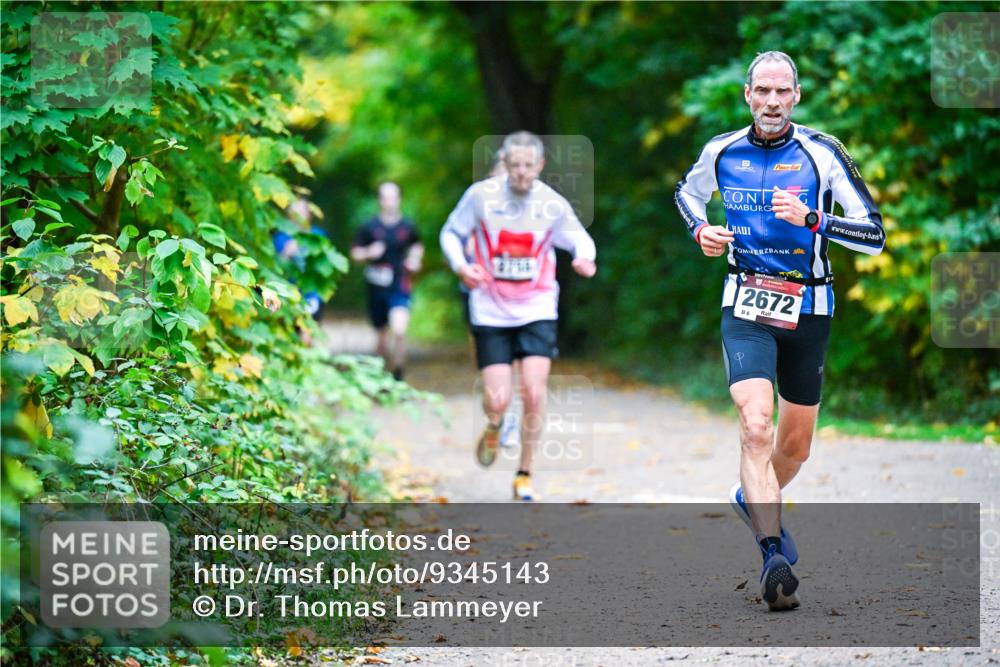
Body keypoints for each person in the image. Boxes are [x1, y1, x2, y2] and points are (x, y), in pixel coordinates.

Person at [674, 51, 885, 610]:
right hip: (746, 301)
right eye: (761, 91)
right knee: (755, 426)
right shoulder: (721, 150)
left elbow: (875, 235)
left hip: (810, 307)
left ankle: (752, 496)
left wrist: (813, 219)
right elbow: (686, 193)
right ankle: (772, 558)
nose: (771, 102)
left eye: (781, 93)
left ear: (795, 97)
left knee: (794, 447)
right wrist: (701, 231)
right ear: (747, 94)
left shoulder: (822, 153)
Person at [440, 131, 597, 501]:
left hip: (536, 307)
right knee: (497, 398)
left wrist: (583, 256)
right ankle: (495, 422)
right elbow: (450, 233)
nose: (522, 173)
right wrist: (462, 266)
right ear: (504, 166)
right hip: (490, 309)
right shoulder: (481, 197)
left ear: (540, 165)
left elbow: (578, 237)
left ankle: (524, 474)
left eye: (529, 166)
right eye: (515, 166)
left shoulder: (551, 203)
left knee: (534, 392)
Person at [351, 182, 423, 381]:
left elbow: (417, 245)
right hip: (376, 287)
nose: (389, 202)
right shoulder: (369, 227)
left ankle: (398, 375)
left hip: (400, 284)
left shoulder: (407, 226)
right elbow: (355, 253)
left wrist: (414, 259)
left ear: (399, 199)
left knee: (399, 329)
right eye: (385, 197)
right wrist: (368, 252)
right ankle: (381, 377)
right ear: (379, 200)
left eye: (393, 197)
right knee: (381, 337)